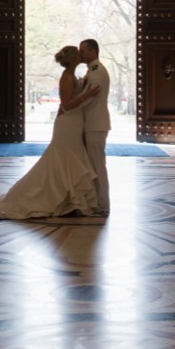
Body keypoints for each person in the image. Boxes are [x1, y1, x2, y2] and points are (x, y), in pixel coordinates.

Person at [0, 46, 101, 220]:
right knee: (63, 158)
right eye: (78, 54)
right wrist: (87, 94)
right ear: (73, 59)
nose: (80, 56)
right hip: (67, 125)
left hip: (74, 124)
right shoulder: (66, 77)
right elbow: (67, 105)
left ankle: (71, 200)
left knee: (69, 159)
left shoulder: (73, 76)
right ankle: (62, 198)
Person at [78, 37, 111, 216]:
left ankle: (103, 203)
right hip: (92, 123)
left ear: (93, 51)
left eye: (83, 51)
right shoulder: (92, 70)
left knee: (97, 165)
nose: (80, 54)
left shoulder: (97, 72)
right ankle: (96, 201)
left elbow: (90, 98)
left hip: (95, 124)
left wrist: (71, 104)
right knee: (93, 165)